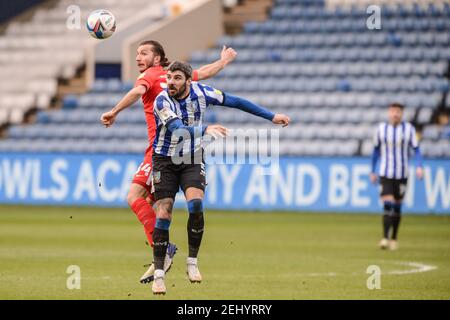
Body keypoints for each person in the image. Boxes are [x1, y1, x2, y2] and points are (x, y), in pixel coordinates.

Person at [100, 41, 237, 283]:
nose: (138, 58)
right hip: (177, 149)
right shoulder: (177, 76)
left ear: (157, 57)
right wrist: (223, 62)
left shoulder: (151, 76)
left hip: (160, 150)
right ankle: (160, 256)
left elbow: (136, 92)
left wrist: (114, 111)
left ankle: (163, 252)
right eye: (137, 53)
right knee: (153, 203)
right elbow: (203, 73)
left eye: (144, 53)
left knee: (135, 196)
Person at [150, 61, 290, 294]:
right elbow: (176, 129)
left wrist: (271, 116)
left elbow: (236, 101)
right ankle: (158, 275)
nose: (171, 82)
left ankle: (192, 262)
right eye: (169, 78)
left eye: (176, 78)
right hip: (164, 160)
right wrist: (205, 130)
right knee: (164, 211)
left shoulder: (202, 92)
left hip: (192, 157)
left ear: (188, 80)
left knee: (195, 204)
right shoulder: (162, 100)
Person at [370, 103, 424, 250]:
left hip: (402, 174)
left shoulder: (409, 129)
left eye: (398, 112)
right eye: (393, 111)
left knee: (398, 206)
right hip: (385, 173)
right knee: (388, 203)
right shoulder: (381, 129)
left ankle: (394, 238)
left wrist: (419, 166)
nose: (395, 114)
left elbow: (417, 149)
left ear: (401, 114)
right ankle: (384, 238)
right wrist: (372, 170)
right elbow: (375, 151)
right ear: (389, 113)